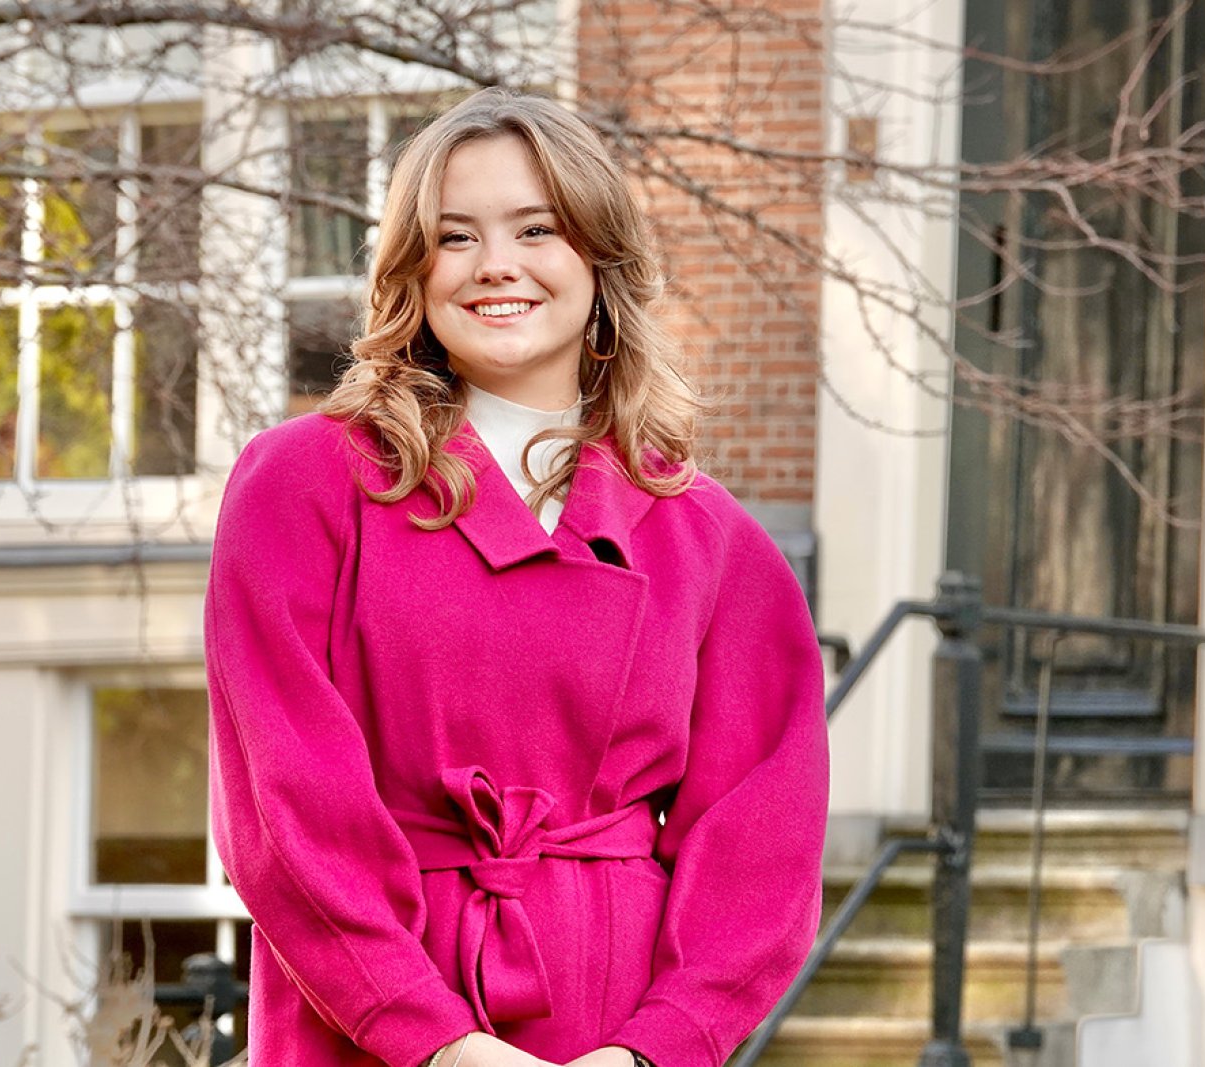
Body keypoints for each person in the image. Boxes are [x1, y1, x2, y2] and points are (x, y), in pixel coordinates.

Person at [205, 88, 829, 1067]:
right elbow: (282, 802)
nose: (496, 265)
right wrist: (436, 1038)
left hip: (612, 1031)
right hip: (363, 1018)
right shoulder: (303, 484)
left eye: (535, 228)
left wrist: (651, 1049)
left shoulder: (710, 539)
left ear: (597, 255)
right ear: (411, 269)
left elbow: (761, 853)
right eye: (454, 237)